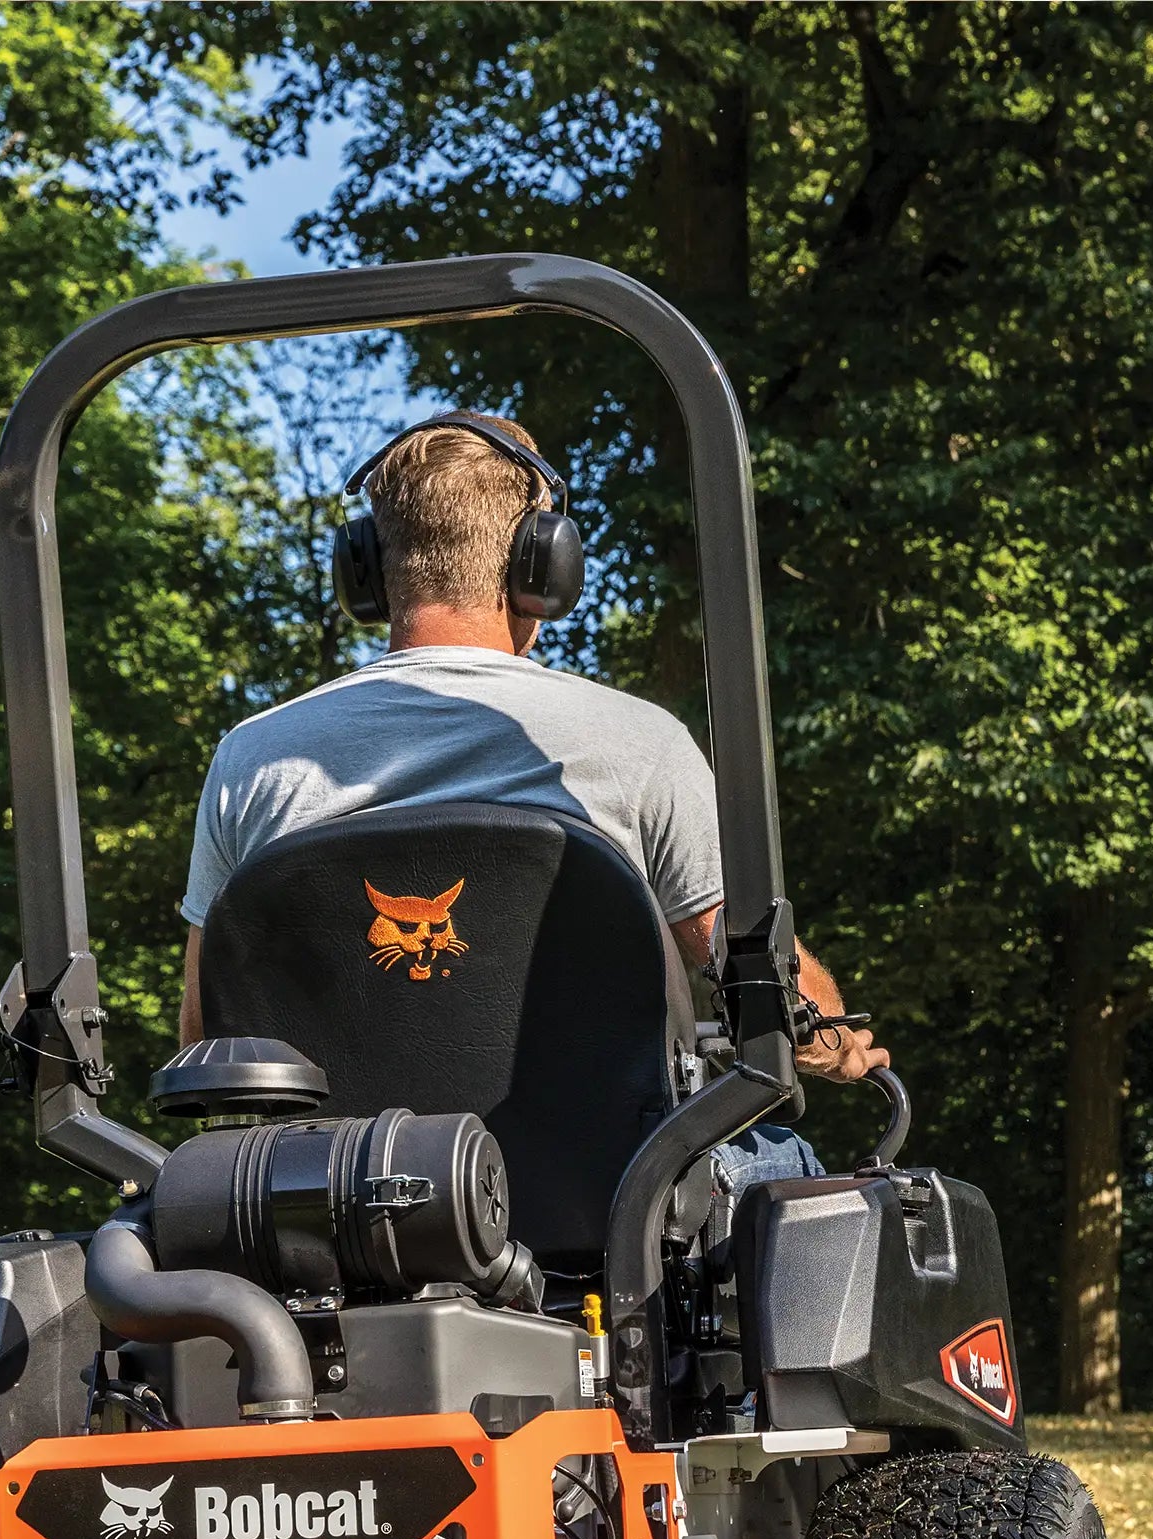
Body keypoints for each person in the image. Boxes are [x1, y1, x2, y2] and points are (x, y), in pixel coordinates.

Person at [176, 411, 884, 1187]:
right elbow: (760, 985)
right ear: (540, 565)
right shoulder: (639, 743)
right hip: (611, 1198)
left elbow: (209, 1034)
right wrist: (838, 1044)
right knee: (816, 1190)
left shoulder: (254, 761)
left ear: (369, 569)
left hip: (332, 1206)